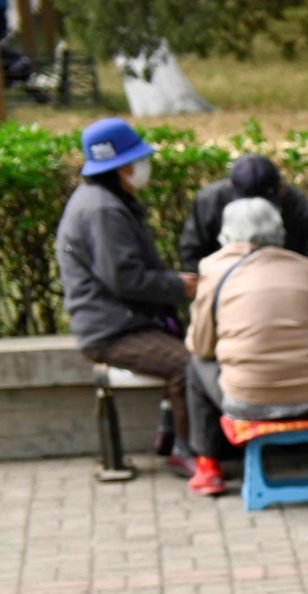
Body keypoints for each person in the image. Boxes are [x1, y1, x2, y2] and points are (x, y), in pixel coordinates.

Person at [180, 198, 308, 498]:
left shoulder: (213, 270)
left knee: (196, 363)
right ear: (279, 230)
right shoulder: (306, 267)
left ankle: (208, 467)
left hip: (249, 404)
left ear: (227, 234)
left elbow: (201, 345)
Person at [56, 117, 197, 474]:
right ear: (121, 168)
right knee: (187, 366)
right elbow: (126, 280)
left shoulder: (103, 200)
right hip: (113, 332)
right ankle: (187, 449)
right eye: (138, 160)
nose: (143, 167)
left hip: (123, 322)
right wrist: (180, 286)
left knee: (192, 350)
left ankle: (167, 434)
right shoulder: (103, 209)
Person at [176, 152, 308, 299]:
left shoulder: (300, 209)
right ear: (232, 189)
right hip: (226, 291)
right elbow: (193, 257)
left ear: (281, 190)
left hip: (286, 290)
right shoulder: (210, 202)